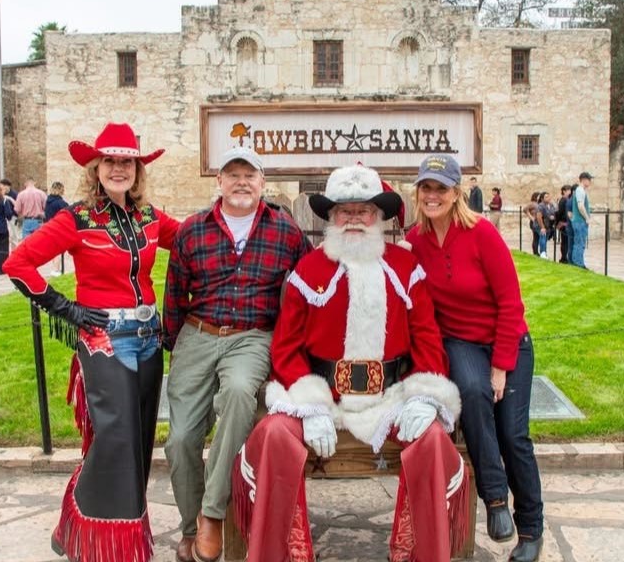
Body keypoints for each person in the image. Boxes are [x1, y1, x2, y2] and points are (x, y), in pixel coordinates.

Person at [232, 164, 467, 561]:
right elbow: (286, 350)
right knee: (273, 435)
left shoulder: (406, 268)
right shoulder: (307, 271)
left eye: (364, 211)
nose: (355, 219)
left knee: (431, 440)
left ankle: (423, 553)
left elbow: (427, 337)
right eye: (345, 211)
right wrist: (311, 406)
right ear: (331, 217)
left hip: (391, 396)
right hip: (325, 399)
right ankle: (279, 554)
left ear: (378, 216)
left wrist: (424, 397)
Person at [3, 123, 180, 562]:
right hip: (104, 338)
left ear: (137, 170)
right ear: (96, 167)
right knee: (115, 437)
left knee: (137, 439)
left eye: (127, 162)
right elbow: (19, 263)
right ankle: (107, 543)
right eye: (111, 161)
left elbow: (196, 240)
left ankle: (79, 530)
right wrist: (68, 310)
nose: (119, 169)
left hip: (148, 338)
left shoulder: (150, 218)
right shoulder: (76, 218)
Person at [163, 147, 311, 562]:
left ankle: (212, 516)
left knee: (240, 394)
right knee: (180, 440)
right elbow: (174, 294)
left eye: (250, 175)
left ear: (263, 183)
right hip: (198, 332)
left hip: (252, 336)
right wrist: (176, 346)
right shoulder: (192, 231)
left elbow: (305, 292)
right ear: (219, 182)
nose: (242, 182)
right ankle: (190, 524)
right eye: (233, 174)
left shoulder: (285, 232)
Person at [405, 153, 544, 562]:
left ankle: (532, 527)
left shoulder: (481, 233)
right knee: (471, 391)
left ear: (455, 192)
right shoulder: (416, 240)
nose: (433, 196)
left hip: (507, 341)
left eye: (440, 188)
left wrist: (501, 366)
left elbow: (510, 303)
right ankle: (495, 500)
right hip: (460, 340)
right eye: (426, 188)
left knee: (514, 437)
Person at [45, 182, 70, 276]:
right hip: (59, 228)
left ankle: (56, 268)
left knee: (54, 249)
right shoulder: (61, 203)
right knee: (59, 250)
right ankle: (56, 269)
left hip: (49, 226)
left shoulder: (48, 201)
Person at [569, 172, 593, 268]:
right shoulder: (580, 190)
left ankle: (578, 262)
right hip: (580, 221)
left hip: (579, 221)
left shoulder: (580, 190)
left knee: (580, 242)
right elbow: (580, 206)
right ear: (584, 179)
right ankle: (578, 263)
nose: (590, 182)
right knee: (580, 242)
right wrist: (587, 218)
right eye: (589, 179)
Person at [556, 185, 571, 263]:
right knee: (565, 242)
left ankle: (565, 257)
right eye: (568, 190)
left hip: (566, 223)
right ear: (564, 191)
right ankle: (563, 258)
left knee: (566, 242)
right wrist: (557, 223)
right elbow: (559, 212)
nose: (570, 191)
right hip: (563, 223)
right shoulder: (563, 200)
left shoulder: (566, 200)